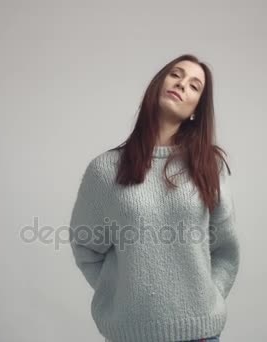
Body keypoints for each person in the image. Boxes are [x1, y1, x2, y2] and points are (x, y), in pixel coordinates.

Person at [69, 54, 239, 342]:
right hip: (130, 334)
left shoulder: (208, 166)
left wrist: (208, 297)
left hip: (199, 334)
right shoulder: (104, 170)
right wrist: (123, 296)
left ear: (196, 110)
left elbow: (225, 250)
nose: (182, 84)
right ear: (158, 83)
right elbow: (85, 246)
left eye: (195, 86)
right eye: (176, 74)